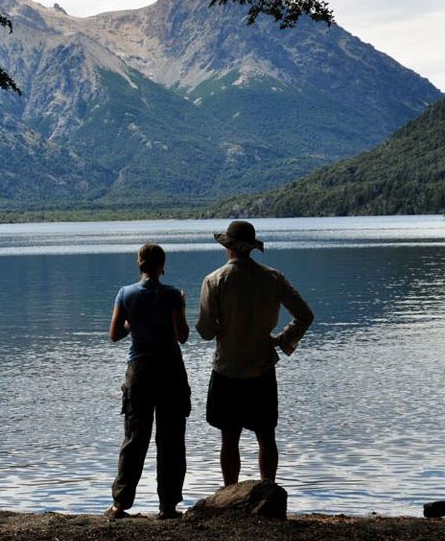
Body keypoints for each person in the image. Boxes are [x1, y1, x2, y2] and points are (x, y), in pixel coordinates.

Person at [196, 220, 314, 487]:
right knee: (266, 435)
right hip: (262, 367)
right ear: (250, 248)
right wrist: (283, 340)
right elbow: (305, 316)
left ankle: (230, 493)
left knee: (229, 437)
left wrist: (221, 327)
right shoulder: (272, 277)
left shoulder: (214, 280)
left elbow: (205, 331)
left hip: (227, 368)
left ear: (228, 248)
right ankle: (267, 489)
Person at [106, 243, 191, 520]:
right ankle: (168, 506)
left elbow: (115, 334)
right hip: (170, 370)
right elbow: (182, 335)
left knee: (134, 438)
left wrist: (134, 321)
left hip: (139, 370)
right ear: (162, 266)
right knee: (171, 439)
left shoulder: (125, 294)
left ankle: (120, 504)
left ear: (139, 264)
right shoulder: (172, 295)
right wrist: (182, 306)